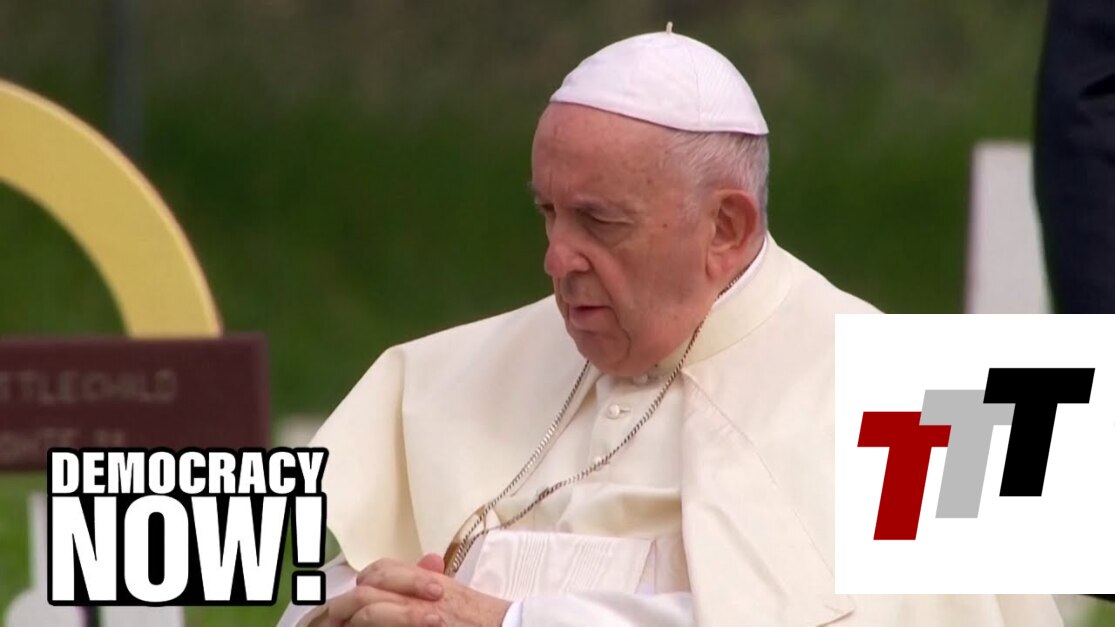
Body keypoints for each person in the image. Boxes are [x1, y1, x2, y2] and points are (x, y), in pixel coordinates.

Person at [281, 28, 1062, 626]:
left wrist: (513, 621)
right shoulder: (453, 372)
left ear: (725, 227)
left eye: (598, 221)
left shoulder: (929, 398)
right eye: (547, 212)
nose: (556, 258)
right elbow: (335, 585)